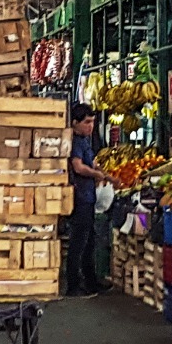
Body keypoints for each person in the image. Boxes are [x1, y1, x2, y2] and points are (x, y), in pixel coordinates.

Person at [66, 104, 104, 297]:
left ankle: (91, 282)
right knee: (79, 242)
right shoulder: (74, 141)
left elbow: (89, 163)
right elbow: (79, 167)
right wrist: (96, 174)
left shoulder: (84, 141)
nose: (90, 127)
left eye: (92, 122)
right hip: (80, 197)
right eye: (87, 122)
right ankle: (73, 285)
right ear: (75, 123)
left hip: (88, 196)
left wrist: (102, 172)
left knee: (88, 241)